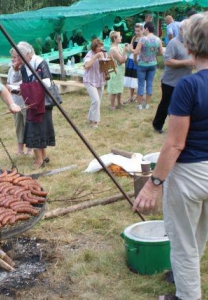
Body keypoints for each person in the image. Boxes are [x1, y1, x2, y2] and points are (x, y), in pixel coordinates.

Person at [132, 12, 208, 300]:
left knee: (184, 242)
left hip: (190, 174)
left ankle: (186, 296)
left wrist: (154, 183)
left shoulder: (189, 85)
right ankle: (184, 278)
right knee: (198, 232)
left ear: (189, 47)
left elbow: (175, 144)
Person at [17, 41, 55, 169]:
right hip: (31, 102)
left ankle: (39, 159)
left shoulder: (40, 63)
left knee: (39, 130)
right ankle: (42, 156)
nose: (17, 59)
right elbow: (25, 84)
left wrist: (27, 88)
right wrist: (21, 89)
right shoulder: (23, 67)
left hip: (43, 102)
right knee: (35, 128)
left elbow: (47, 83)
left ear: (27, 54)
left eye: (19, 56)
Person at [152, 20, 194, 134]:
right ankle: (157, 125)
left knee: (183, 105)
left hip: (185, 80)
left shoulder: (191, 43)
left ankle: (180, 127)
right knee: (166, 104)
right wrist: (186, 62)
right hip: (170, 81)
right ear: (181, 30)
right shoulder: (173, 43)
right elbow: (167, 62)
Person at [6, 48, 32, 156]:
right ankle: (20, 150)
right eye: (12, 57)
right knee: (18, 126)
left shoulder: (27, 68)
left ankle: (30, 149)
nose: (13, 59)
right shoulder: (11, 69)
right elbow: (8, 84)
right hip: (15, 101)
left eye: (15, 57)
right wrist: (11, 90)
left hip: (25, 101)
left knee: (28, 125)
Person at [133, 21, 163, 110]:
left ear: (146, 28)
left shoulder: (143, 39)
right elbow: (161, 52)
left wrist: (135, 60)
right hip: (153, 63)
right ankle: (147, 104)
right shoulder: (158, 39)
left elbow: (136, 52)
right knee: (150, 84)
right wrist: (153, 55)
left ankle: (139, 105)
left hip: (142, 64)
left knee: (141, 84)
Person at [83, 38, 106, 128]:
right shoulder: (90, 54)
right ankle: (95, 122)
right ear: (94, 47)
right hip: (90, 80)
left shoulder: (103, 53)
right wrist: (95, 57)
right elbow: (86, 66)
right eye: (98, 47)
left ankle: (90, 118)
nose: (100, 48)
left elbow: (105, 65)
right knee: (96, 100)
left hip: (100, 80)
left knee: (97, 101)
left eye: (101, 46)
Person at [107, 31, 129, 110]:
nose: (121, 37)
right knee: (114, 89)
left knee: (119, 87)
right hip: (115, 72)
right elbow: (122, 59)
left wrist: (124, 53)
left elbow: (123, 58)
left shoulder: (119, 46)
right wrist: (125, 52)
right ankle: (112, 105)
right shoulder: (113, 49)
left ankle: (119, 102)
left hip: (120, 71)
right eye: (119, 36)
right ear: (115, 39)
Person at [123, 23, 143, 104]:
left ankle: (139, 96)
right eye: (136, 31)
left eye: (138, 31)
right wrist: (134, 51)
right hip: (132, 58)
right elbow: (130, 48)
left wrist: (134, 51)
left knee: (138, 77)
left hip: (139, 59)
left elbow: (142, 50)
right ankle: (131, 97)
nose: (137, 32)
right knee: (131, 77)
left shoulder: (143, 38)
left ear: (142, 30)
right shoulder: (134, 37)